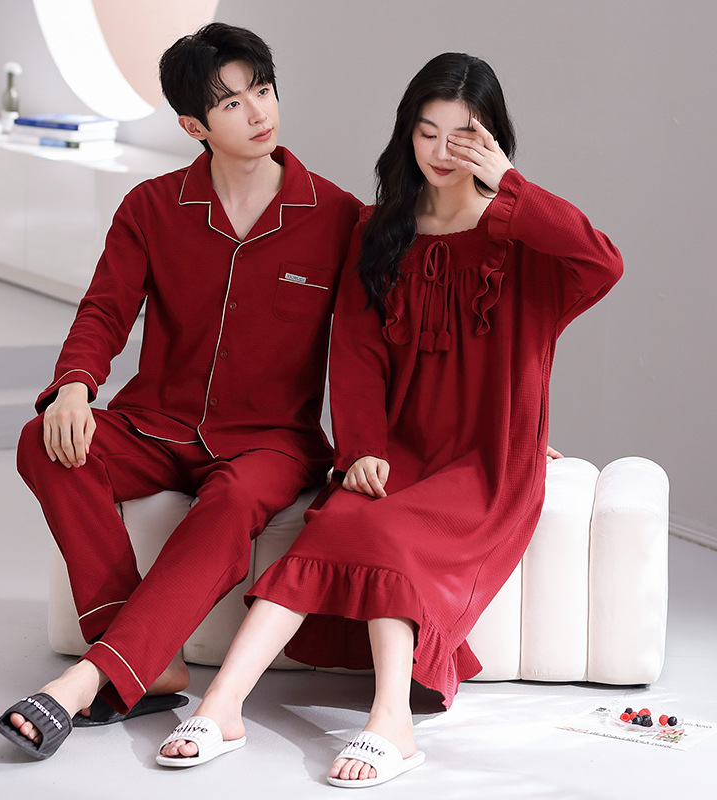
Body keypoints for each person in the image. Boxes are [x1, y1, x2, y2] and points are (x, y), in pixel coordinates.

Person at [156, 52, 623, 787]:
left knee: (387, 534)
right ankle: (222, 707)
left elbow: (602, 261)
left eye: (464, 135)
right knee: (332, 526)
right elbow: (356, 353)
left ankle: (391, 725)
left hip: (484, 458)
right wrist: (363, 448)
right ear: (407, 133)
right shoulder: (378, 231)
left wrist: (511, 184)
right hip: (398, 448)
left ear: (493, 138)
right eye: (427, 132)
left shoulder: (520, 237)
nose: (442, 151)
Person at [0, 22, 360, 760]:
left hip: (269, 442)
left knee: (230, 505)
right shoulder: (152, 208)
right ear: (194, 126)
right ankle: (147, 660)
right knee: (45, 441)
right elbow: (104, 310)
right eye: (231, 104)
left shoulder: (339, 218)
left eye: (263, 90)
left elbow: (377, 347)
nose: (258, 113)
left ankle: (89, 678)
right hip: (154, 422)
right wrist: (74, 386)